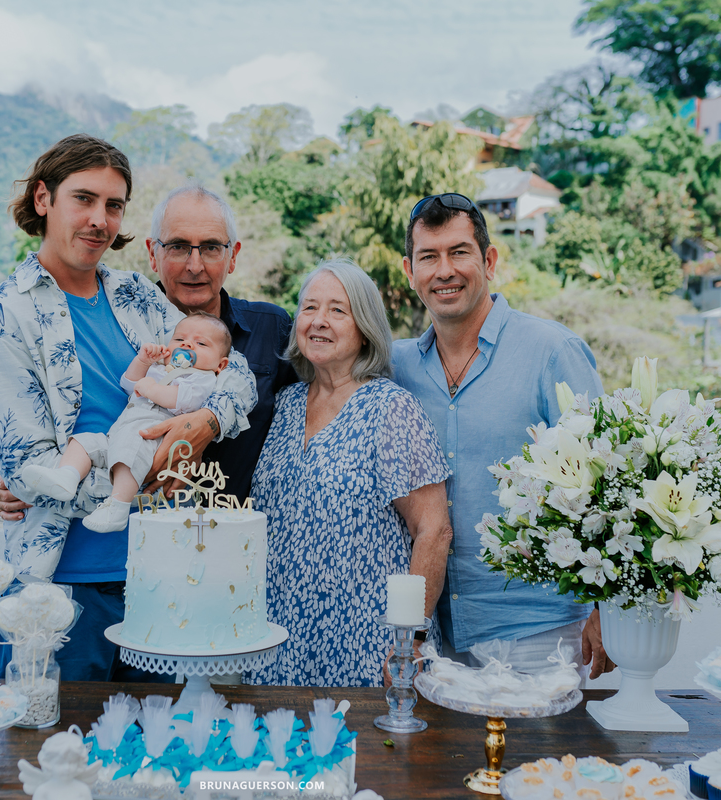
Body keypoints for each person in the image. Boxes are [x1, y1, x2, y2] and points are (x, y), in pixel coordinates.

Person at [0, 135, 257, 682]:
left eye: (114, 205)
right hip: (61, 590)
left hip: (165, 575)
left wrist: (206, 421)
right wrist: (142, 474)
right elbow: (29, 474)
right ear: (43, 199)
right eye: (84, 199)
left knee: (162, 759)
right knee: (53, 760)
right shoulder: (2, 320)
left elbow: (231, 372)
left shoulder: (137, 297)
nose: (100, 219)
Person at [392, 193, 615, 678]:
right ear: (409, 272)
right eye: (428, 257)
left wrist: (608, 610)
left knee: (538, 759)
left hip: (539, 631)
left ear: (489, 260)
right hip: (434, 638)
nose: (444, 270)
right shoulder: (396, 366)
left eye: (459, 252)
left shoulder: (552, 352)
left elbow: (610, 481)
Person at [0, 185, 299, 518]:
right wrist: (17, 480)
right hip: (135, 542)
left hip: (237, 542)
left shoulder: (273, 328)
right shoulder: (116, 330)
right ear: (153, 254)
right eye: (178, 247)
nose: (195, 265)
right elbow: (66, 421)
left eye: (211, 247)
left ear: (233, 255)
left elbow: (311, 416)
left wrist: (208, 422)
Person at [247, 259, 454, 688]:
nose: (319, 321)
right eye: (309, 308)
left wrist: (408, 641)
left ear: (365, 329)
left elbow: (433, 531)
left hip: (368, 643)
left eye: (338, 311)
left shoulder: (390, 408)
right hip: (278, 639)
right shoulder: (284, 405)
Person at [22, 312, 233, 532]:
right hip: (119, 433)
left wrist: (151, 388)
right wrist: (143, 362)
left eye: (200, 343)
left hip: (151, 437)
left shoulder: (204, 378)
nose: (187, 344)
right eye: (179, 339)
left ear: (221, 364)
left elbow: (181, 399)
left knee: (127, 458)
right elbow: (129, 384)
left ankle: (118, 507)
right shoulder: (160, 369)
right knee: (84, 443)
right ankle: (66, 477)